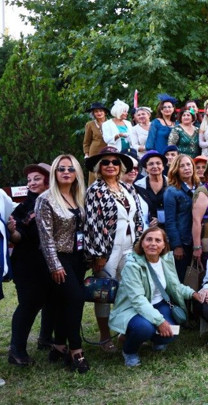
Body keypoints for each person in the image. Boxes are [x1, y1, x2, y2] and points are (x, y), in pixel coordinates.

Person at [109, 227, 204, 367]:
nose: (153, 243)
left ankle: (152, 339)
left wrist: (193, 293)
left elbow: (175, 285)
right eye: (149, 239)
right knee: (144, 328)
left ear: (164, 245)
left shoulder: (166, 260)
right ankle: (129, 350)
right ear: (142, 243)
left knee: (172, 332)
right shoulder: (132, 266)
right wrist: (159, 321)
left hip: (159, 304)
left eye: (158, 240)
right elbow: (138, 300)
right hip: (132, 308)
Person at [84, 147, 144, 353]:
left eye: (115, 162)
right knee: (103, 291)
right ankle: (104, 336)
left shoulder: (128, 188)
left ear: (121, 167)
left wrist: (140, 243)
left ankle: (123, 331)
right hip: (107, 248)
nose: (111, 165)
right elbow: (92, 223)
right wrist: (98, 254)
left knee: (128, 288)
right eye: (106, 162)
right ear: (99, 167)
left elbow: (137, 218)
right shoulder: (95, 190)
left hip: (129, 246)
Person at [35, 155, 89, 373]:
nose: (66, 172)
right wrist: (55, 265)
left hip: (78, 258)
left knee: (64, 302)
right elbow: (45, 237)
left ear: (76, 173)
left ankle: (58, 346)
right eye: (61, 169)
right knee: (76, 299)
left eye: (70, 169)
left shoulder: (79, 196)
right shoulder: (46, 199)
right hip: (58, 258)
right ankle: (75, 350)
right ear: (54, 173)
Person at [8, 163, 54, 366]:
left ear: (48, 179)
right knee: (29, 304)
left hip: (50, 264)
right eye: (29, 180)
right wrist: (12, 230)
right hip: (27, 265)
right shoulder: (25, 207)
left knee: (52, 300)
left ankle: (45, 339)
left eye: (37, 178)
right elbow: (18, 236)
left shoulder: (57, 201)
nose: (32, 183)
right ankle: (16, 351)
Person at [164, 154, 198, 280]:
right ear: (176, 170)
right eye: (182, 166)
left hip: (197, 241)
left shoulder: (200, 187)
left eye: (188, 164)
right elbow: (170, 221)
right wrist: (177, 245)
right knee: (182, 278)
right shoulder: (171, 191)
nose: (186, 168)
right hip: (183, 241)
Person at [134, 151, 167, 229]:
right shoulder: (138, 186)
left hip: (169, 227)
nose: (155, 166)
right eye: (151, 164)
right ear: (146, 168)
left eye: (158, 163)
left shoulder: (172, 184)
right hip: (146, 227)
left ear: (163, 167)